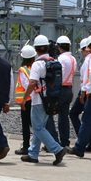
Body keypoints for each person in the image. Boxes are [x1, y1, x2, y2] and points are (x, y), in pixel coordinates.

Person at [22, 37, 67, 165]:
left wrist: (25, 98)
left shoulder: (37, 63)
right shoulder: (53, 61)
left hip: (39, 100)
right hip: (51, 99)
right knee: (40, 127)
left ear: (36, 49)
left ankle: (57, 149)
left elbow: (32, 83)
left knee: (37, 127)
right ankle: (33, 153)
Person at [55, 35, 78, 147]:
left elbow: (58, 76)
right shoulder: (73, 59)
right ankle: (65, 141)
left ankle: (55, 141)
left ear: (59, 47)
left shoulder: (61, 59)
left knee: (52, 115)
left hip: (61, 89)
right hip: (69, 88)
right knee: (64, 117)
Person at [14, 45, 35, 155]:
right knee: (35, 124)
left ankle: (26, 146)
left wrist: (24, 99)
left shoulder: (23, 70)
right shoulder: (34, 68)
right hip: (35, 100)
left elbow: (27, 85)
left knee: (26, 124)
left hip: (26, 100)